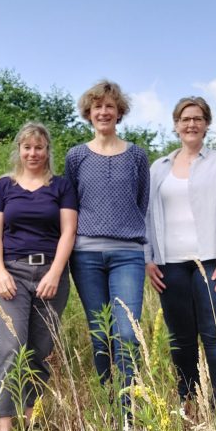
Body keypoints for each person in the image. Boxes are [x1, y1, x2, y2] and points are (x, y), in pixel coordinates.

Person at [146, 96, 216, 410]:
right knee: (180, 338)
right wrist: (148, 259)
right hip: (170, 265)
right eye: (185, 119)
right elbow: (146, 216)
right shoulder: (158, 168)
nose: (191, 124)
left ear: (206, 124)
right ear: (176, 125)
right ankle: (189, 404)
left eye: (198, 118)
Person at [0, 122, 78, 431]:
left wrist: (55, 272)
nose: (33, 153)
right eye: (27, 147)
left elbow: (68, 232)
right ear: (19, 151)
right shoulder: (4, 186)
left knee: (39, 350)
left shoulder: (61, 186)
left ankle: (33, 422)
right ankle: (5, 429)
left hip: (51, 275)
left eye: (39, 147)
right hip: (12, 273)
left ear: (47, 150)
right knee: (11, 348)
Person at [64, 80, 150, 414]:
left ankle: (129, 412)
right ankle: (109, 407)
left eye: (109, 106)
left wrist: (124, 230)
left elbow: (141, 201)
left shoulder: (137, 156)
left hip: (128, 254)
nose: (103, 112)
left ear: (119, 112)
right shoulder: (76, 156)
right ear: (89, 112)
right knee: (100, 334)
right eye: (97, 106)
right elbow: (70, 205)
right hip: (85, 256)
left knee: (127, 333)